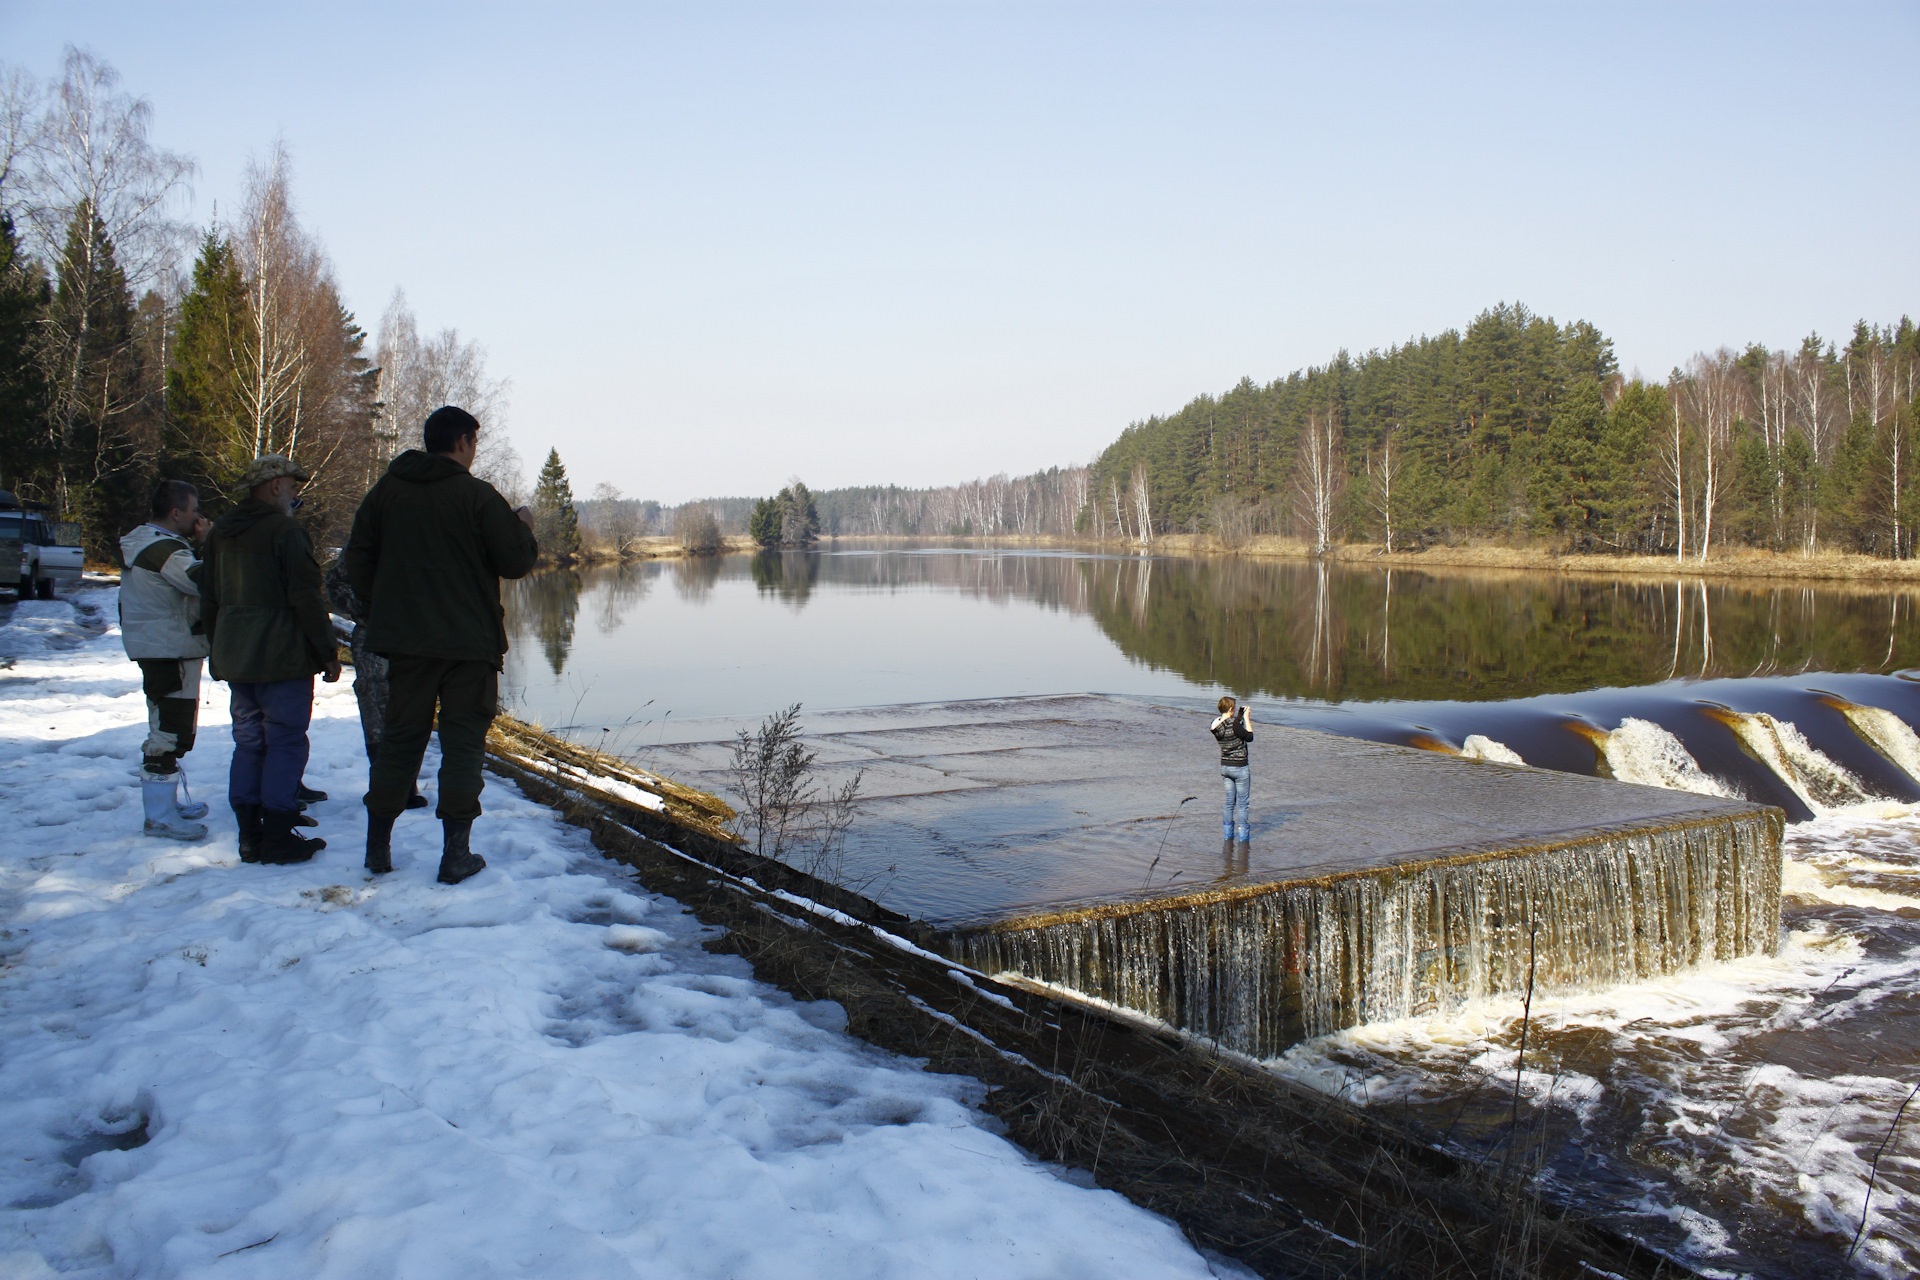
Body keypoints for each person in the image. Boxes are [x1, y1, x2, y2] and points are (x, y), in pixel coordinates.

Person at [344, 405, 539, 883]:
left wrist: (383, 608)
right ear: (464, 442)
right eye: (475, 443)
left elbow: (358, 560)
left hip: (407, 644)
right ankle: (455, 855)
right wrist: (524, 528)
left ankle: (377, 850)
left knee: (400, 741)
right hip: (468, 646)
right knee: (463, 744)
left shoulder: (386, 492)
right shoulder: (476, 496)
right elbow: (514, 562)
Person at [200, 454, 341, 865]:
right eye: (293, 486)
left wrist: (218, 645)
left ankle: (249, 837)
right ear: (275, 485)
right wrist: (327, 651)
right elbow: (306, 597)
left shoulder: (221, 531)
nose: (296, 493)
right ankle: (279, 837)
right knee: (284, 741)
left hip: (236, 655)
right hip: (281, 658)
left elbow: (208, 597)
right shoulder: (285, 531)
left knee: (247, 742)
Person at [119, 479, 213, 840]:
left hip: (161, 646)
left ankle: (166, 806)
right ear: (177, 513)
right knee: (168, 730)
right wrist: (208, 545)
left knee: (170, 725)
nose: (197, 517)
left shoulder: (149, 543)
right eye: (193, 511)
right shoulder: (166, 550)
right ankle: (158, 816)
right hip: (168, 649)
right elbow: (202, 581)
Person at [323, 560, 427, 810]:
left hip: (419, 637)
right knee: (375, 709)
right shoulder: (367, 541)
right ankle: (383, 785)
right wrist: (368, 609)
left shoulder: (427, 537)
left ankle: (407, 785)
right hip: (373, 636)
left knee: (414, 712)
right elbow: (335, 581)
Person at [1211, 695, 1253, 843]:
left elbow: (1229, 726)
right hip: (1240, 767)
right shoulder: (1235, 724)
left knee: (1229, 802)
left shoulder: (1215, 725)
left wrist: (1239, 716)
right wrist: (1246, 718)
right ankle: (1243, 838)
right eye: (1234, 708)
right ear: (1230, 709)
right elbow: (1249, 736)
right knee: (1243, 804)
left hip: (1225, 767)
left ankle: (1228, 836)